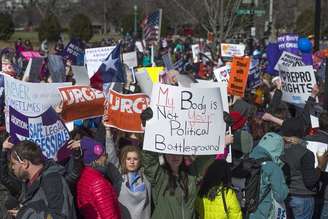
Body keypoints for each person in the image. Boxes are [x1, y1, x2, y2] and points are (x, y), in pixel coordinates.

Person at [2, 138, 77, 219]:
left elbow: (60, 217)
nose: (12, 167)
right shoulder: (27, 184)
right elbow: (4, 177)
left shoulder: (52, 181)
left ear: (25, 164)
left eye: (14, 163)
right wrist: (4, 151)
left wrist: (24, 214)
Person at [105, 127, 151, 219]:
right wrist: (108, 131)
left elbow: (151, 158)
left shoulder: (146, 176)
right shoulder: (118, 176)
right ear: (124, 160)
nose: (132, 162)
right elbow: (111, 156)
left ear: (140, 161)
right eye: (129, 159)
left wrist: (148, 129)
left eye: (135, 159)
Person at [142, 150, 197, 219]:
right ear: (164, 154)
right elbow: (148, 159)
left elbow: (208, 156)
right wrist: (152, 141)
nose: (175, 157)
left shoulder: (191, 176)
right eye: (170, 153)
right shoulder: (159, 175)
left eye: (178, 153)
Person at [76, 136, 120, 219]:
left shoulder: (84, 176)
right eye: (104, 155)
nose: (107, 158)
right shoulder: (99, 183)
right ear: (95, 160)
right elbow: (109, 215)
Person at [248, 132, 289, 218]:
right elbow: (280, 195)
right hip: (262, 213)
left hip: (245, 211)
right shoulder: (272, 167)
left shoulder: (247, 159)